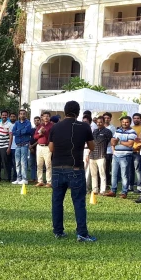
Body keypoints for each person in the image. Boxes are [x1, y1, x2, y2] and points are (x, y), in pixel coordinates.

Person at [48, 100, 96, 242]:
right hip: (75, 168)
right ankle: (82, 233)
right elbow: (92, 147)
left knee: (57, 201)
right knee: (79, 201)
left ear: (65, 111)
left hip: (57, 168)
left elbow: (51, 148)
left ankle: (58, 231)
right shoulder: (84, 126)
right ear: (78, 112)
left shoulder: (55, 127)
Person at [110, 116, 137, 198]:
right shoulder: (117, 131)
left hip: (125, 156)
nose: (125, 123)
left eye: (127, 122)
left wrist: (119, 142)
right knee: (114, 174)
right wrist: (113, 150)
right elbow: (113, 141)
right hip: (116, 155)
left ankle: (124, 192)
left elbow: (130, 144)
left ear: (130, 122)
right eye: (123, 122)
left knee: (124, 175)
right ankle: (113, 191)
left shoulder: (132, 132)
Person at [89, 115, 112, 196]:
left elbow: (109, 142)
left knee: (102, 174)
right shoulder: (94, 131)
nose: (99, 123)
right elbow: (91, 142)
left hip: (101, 155)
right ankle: (94, 190)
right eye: (98, 122)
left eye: (101, 122)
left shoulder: (107, 131)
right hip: (92, 155)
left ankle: (102, 190)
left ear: (103, 122)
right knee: (93, 174)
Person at [11, 110, 34, 185]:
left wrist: (18, 131)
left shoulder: (28, 122)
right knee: (17, 162)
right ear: (19, 115)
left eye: (24, 114)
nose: (22, 115)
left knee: (23, 162)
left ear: (26, 115)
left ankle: (24, 179)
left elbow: (27, 131)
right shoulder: (17, 123)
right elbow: (13, 132)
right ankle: (18, 178)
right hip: (17, 145)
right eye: (21, 114)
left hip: (24, 144)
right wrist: (20, 131)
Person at [0, 110, 13, 182]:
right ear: (1, 116)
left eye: (5, 115)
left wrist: (9, 147)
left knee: (5, 163)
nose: (4, 116)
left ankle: (7, 178)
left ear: (7, 116)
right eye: (3, 115)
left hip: (5, 146)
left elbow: (11, 137)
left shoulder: (10, 125)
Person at [33, 112, 53, 186]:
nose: (46, 118)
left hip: (47, 147)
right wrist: (40, 134)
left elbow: (52, 137)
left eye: (47, 116)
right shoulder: (40, 126)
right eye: (44, 116)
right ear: (42, 117)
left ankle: (49, 182)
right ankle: (40, 180)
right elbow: (35, 136)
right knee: (39, 164)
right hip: (39, 146)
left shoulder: (52, 126)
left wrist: (45, 133)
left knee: (48, 164)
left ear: (49, 117)